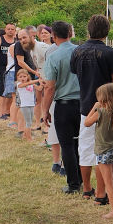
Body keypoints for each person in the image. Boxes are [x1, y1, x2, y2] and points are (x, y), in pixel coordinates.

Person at [70, 14, 113, 201]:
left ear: (89, 30)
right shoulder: (109, 53)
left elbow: (75, 73)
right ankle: (102, 193)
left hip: (86, 105)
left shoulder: (77, 52)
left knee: (85, 147)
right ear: (107, 31)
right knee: (104, 149)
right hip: (107, 107)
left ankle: (87, 188)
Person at [40, 21, 82, 194]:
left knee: (67, 145)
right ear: (70, 34)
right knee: (80, 143)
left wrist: (45, 110)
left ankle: (73, 183)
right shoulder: (81, 52)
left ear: (53, 36)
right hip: (82, 103)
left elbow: (50, 87)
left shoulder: (54, 56)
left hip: (64, 104)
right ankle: (83, 179)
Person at [85, 82, 113, 216]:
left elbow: (86, 123)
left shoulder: (101, 112)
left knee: (108, 183)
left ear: (102, 98)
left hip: (103, 150)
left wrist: (94, 108)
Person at [0, 23, 17, 119]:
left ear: (15, 31)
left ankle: (7, 111)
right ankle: (1, 113)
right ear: (5, 30)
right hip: (1, 68)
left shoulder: (16, 41)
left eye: (12, 29)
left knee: (11, 91)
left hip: (12, 68)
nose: (10, 31)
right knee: (2, 91)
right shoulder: (0, 39)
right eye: (8, 29)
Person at [14, 69, 40, 141]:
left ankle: (25, 135)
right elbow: (26, 84)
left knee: (30, 121)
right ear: (17, 78)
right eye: (20, 77)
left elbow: (39, 88)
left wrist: (42, 83)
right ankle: (29, 138)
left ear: (27, 76)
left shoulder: (31, 84)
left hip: (31, 105)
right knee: (28, 122)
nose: (22, 78)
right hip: (24, 106)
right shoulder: (19, 84)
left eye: (24, 76)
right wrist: (37, 80)